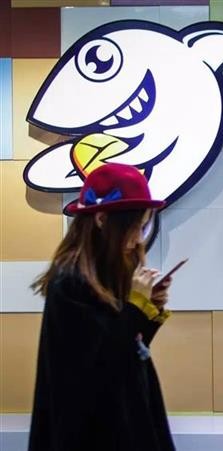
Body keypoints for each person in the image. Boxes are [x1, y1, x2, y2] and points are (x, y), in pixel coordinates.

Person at [28, 163, 175, 451]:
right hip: (94, 430)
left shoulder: (107, 274)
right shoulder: (70, 282)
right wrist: (136, 306)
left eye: (143, 227)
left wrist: (149, 310)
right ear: (102, 219)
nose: (138, 238)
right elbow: (95, 363)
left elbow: (130, 349)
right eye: (134, 227)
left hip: (126, 417)